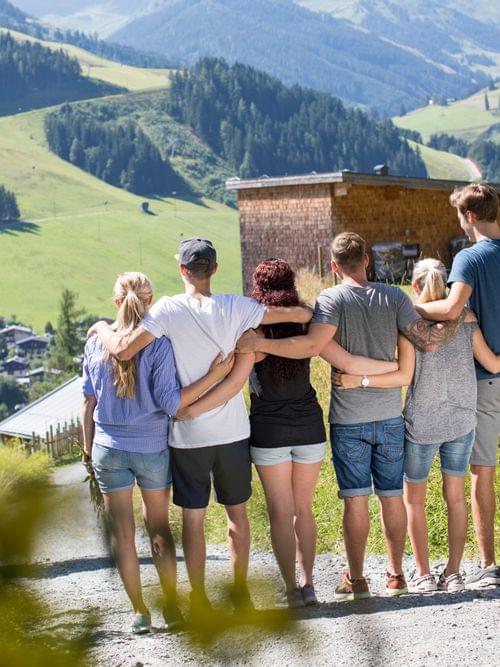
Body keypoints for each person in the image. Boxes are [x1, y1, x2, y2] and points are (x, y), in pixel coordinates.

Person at [87, 239, 312, 616]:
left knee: (194, 518)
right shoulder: (238, 307)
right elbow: (301, 315)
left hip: (186, 436)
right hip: (232, 433)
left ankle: (199, 598)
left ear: (182, 271)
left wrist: (100, 329)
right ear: (216, 269)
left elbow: (123, 350)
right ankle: (240, 593)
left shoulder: (167, 309)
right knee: (236, 516)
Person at [237, 232, 463, 600]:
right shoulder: (393, 296)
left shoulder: (332, 299)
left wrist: (261, 343)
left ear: (333, 265)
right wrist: (459, 317)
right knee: (392, 496)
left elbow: (313, 346)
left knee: (356, 498)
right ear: (367, 261)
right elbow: (429, 339)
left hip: (349, 418)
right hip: (389, 414)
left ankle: (357, 580)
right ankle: (396, 576)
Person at [178, 257, 397, 608]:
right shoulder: (308, 324)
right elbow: (330, 354)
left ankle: (291, 589)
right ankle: (310, 585)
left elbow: (234, 381)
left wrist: (189, 408)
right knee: (304, 510)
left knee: (281, 513)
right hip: (308, 426)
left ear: (258, 291)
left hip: (268, 431)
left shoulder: (251, 333)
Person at [334, 258, 500, 592]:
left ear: (414, 287)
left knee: (415, 501)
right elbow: (493, 364)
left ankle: (423, 574)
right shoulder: (468, 321)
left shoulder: (408, 325)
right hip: (461, 420)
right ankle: (453, 573)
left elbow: (401, 372)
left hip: (421, 423)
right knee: (455, 497)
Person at [82, 272, 235, 634]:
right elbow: (170, 404)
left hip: (108, 449)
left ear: (116, 302)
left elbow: (88, 402)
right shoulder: (158, 344)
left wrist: (88, 451)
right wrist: (215, 375)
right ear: (149, 302)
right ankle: (171, 606)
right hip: (152, 448)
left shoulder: (95, 343)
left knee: (121, 533)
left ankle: (139, 613)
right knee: (159, 528)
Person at [415, 184, 500, 588]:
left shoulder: (470, 257)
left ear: (468, 216)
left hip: (486, 381)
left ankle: (487, 566)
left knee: (483, 471)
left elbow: (450, 309)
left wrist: (403, 306)